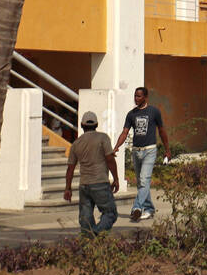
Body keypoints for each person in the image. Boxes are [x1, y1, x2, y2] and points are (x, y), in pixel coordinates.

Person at [113, 86, 170, 222]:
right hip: (136, 151)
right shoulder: (131, 114)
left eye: (139, 96)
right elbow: (125, 132)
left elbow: (162, 131)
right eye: (135, 96)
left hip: (150, 150)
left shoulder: (154, 112)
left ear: (145, 97)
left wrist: (167, 150)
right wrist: (116, 147)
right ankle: (149, 209)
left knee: (144, 181)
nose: (136, 98)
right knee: (141, 183)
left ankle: (136, 209)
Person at [64, 110, 120, 236]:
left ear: (82, 125)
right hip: (100, 182)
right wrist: (116, 179)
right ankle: (96, 232)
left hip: (84, 185)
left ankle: (87, 242)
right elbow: (110, 159)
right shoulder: (103, 138)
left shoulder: (76, 144)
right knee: (110, 213)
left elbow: (70, 169)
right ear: (96, 124)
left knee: (85, 218)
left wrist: (68, 188)